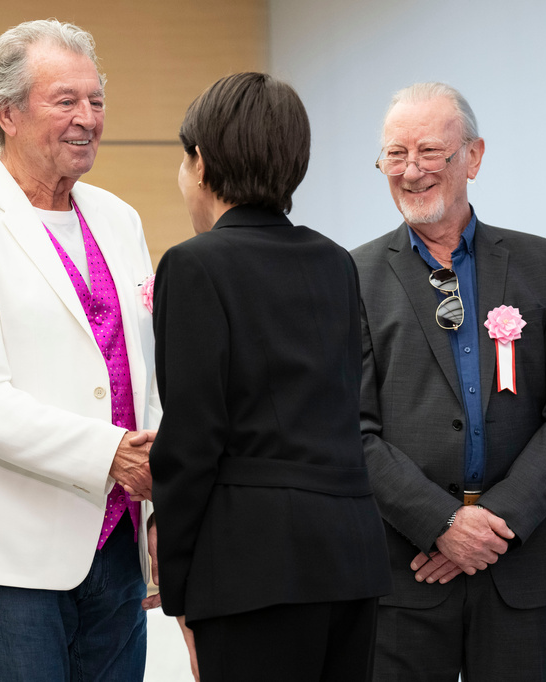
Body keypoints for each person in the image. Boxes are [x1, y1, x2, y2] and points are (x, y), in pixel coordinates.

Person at [0, 19, 160, 682]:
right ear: (9, 114)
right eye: (65, 101)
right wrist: (108, 454)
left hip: (120, 546)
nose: (88, 119)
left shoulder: (120, 218)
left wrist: (162, 505)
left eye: (96, 100)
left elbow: (147, 376)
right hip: (16, 557)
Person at [146, 72, 391, 682]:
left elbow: (193, 439)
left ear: (202, 163)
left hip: (251, 568)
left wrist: (178, 583)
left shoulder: (194, 265)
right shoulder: (335, 262)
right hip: (351, 557)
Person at [352, 82, 546, 681]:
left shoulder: (540, 264)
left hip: (522, 565)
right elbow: (349, 428)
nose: (411, 171)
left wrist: (490, 525)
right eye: (395, 154)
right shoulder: (353, 275)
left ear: (474, 155)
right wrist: (441, 525)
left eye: (429, 152)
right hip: (405, 571)